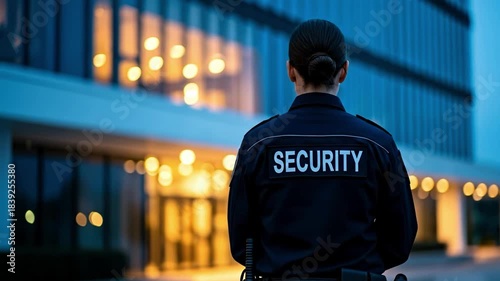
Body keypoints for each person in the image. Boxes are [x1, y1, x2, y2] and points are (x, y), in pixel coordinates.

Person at [227, 19, 417, 281]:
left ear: (291, 70)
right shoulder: (377, 145)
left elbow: (240, 242)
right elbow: (400, 240)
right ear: (343, 71)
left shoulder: (258, 144)